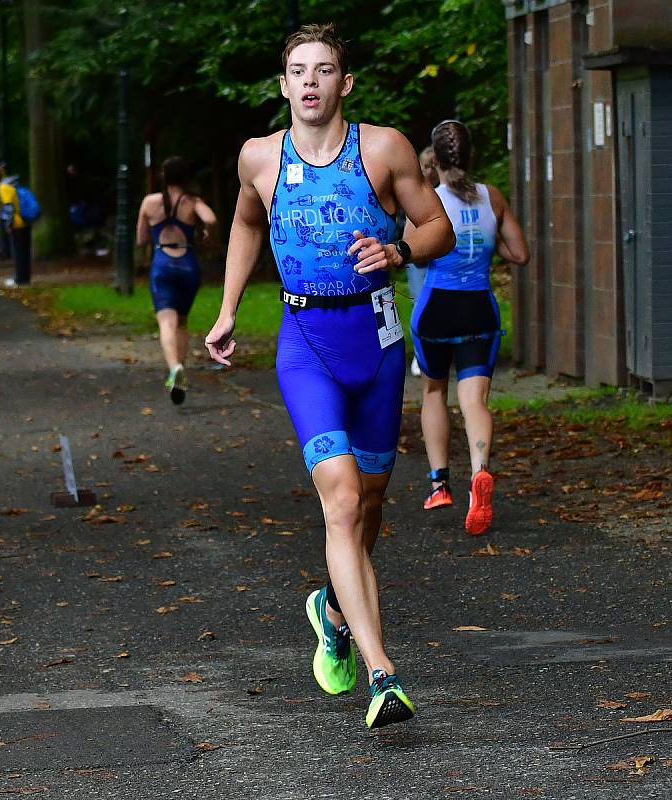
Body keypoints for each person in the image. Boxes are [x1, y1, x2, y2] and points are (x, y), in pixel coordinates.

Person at [205, 24, 454, 729]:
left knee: (371, 501)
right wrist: (226, 309)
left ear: (345, 83)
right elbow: (248, 224)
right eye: (297, 70)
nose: (310, 81)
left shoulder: (383, 149)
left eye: (324, 70)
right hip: (305, 343)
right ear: (283, 84)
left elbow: (439, 228)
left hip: (375, 344)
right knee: (341, 501)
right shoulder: (261, 157)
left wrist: (399, 247)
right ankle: (383, 673)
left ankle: (333, 611)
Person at [408, 119, 529, 532]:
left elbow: (416, 255)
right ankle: (480, 470)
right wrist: (487, 241)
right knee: (474, 399)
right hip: (480, 307)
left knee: (434, 390)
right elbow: (519, 253)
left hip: (437, 307)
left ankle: (440, 484)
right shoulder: (492, 197)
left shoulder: (429, 201)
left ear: (435, 158)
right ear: (470, 155)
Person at [136, 157, 218, 405]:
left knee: (166, 322)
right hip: (188, 265)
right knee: (181, 321)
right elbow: (212, 219)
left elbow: (141, 239)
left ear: (164, 176)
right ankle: (181, 368)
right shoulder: (192, 202)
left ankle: (174, 369)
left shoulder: (150, 202)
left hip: (162, 264)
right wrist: (206, 234)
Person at [406, 146, 438, 377]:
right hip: (419, 261)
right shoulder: (416, 196)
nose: (428, 171)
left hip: (440, 261)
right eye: (424, 167)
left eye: (432, 166)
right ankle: (421, 353)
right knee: (421, 303)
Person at [0, 164, 31, 285]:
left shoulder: (3, 187)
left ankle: (20, 279)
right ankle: (26, 278)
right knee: (25, 252)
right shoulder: (14, 183)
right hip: (26, 219)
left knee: (18, 252)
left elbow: (8, 206)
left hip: (16, 223)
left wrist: (8, 225)